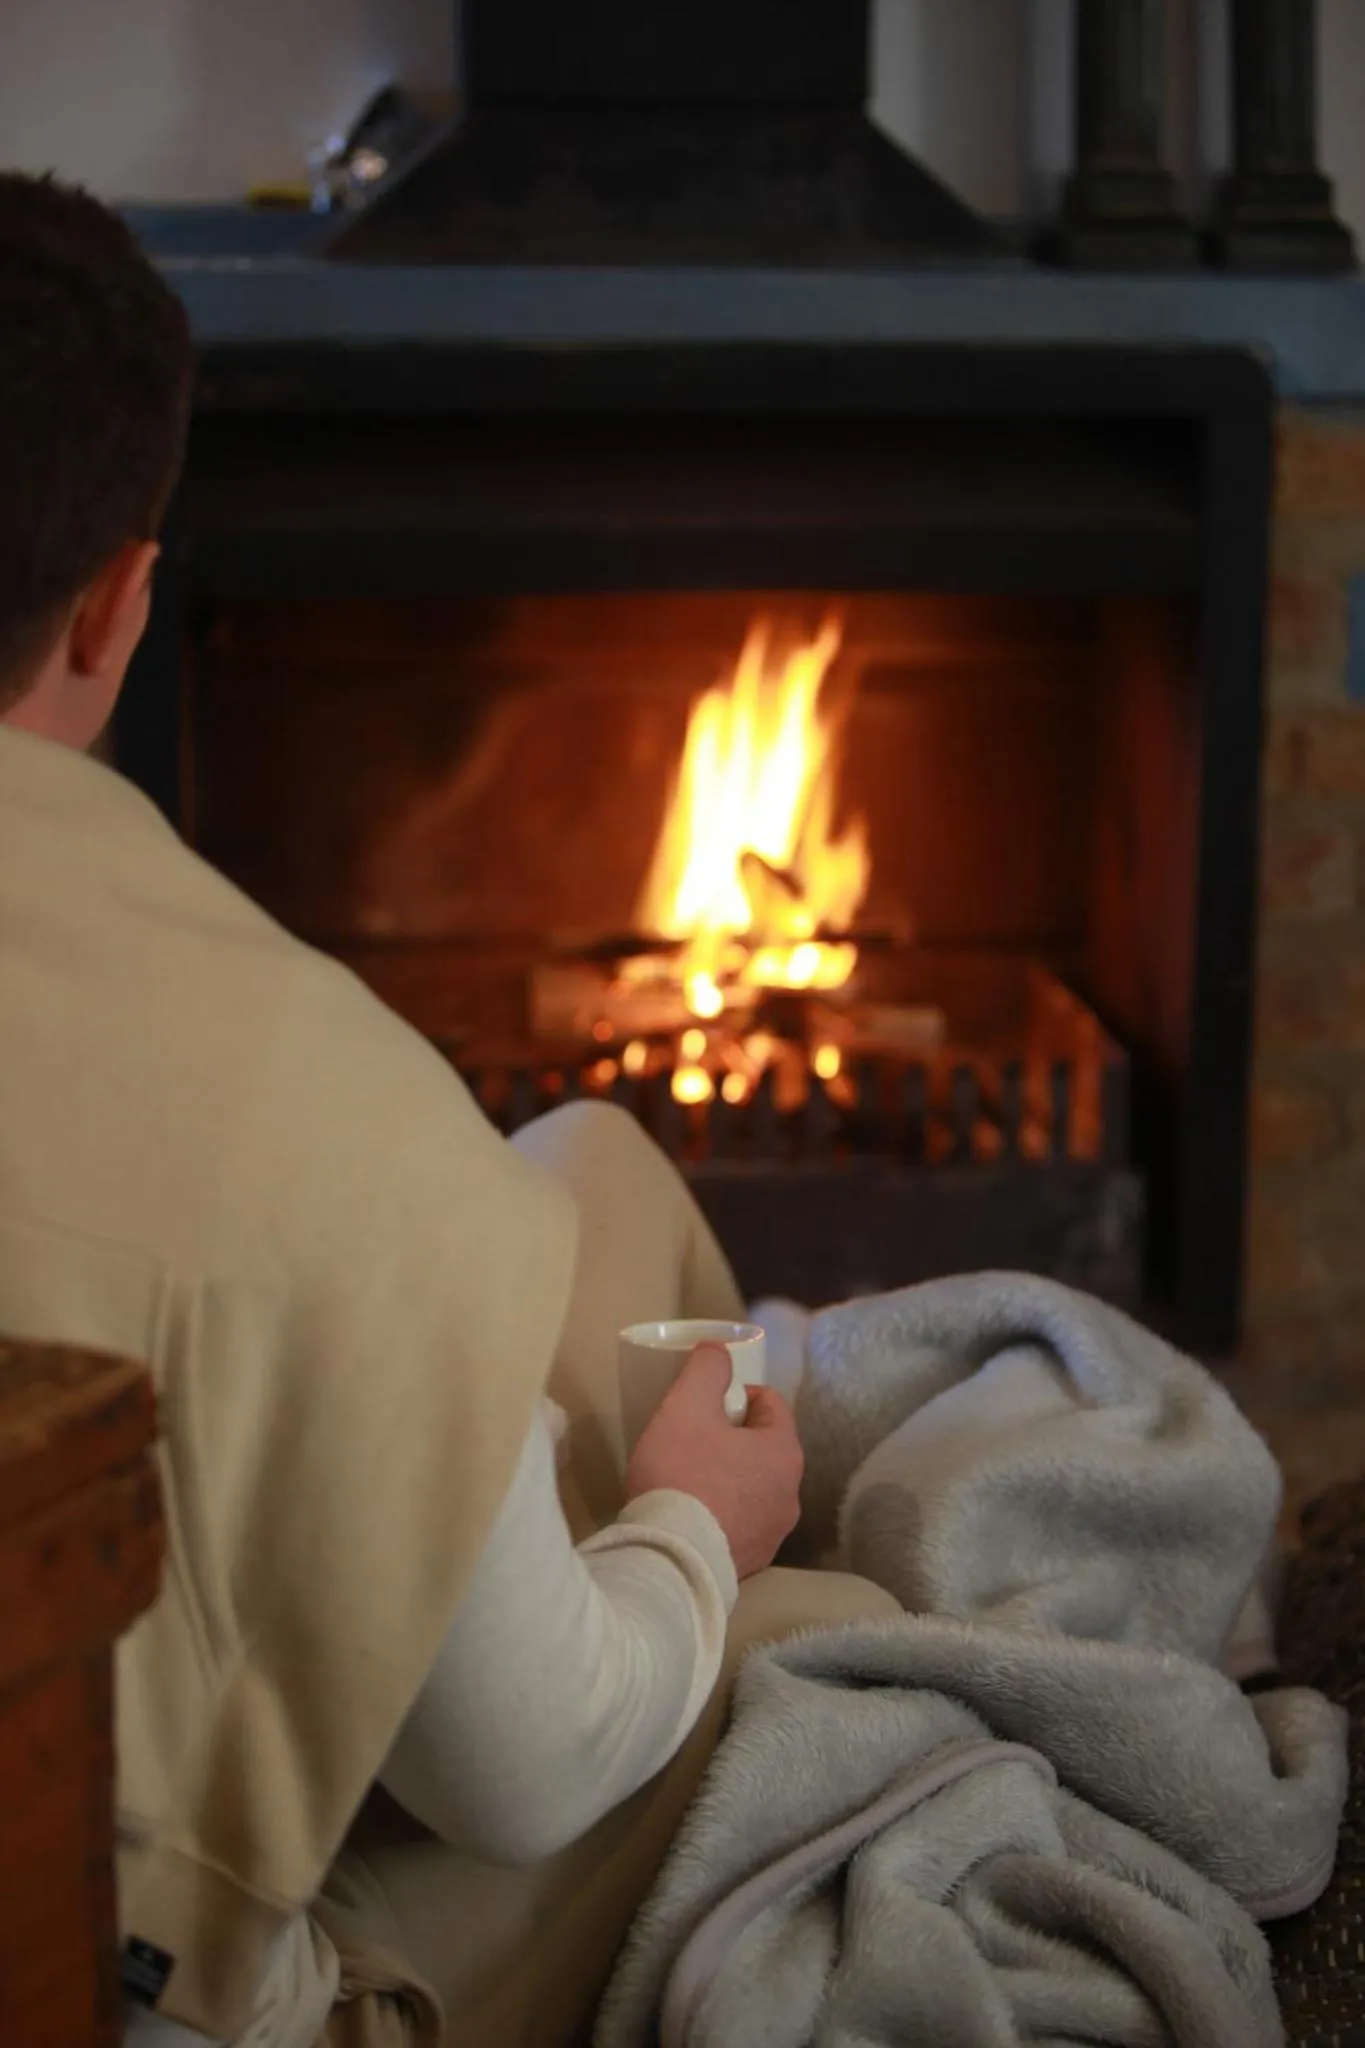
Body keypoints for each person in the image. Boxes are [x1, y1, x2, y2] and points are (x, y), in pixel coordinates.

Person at [0, 171, 897, 2048]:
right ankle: (708, 1514)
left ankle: (507, 1524)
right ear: (118, 604)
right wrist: (685, 1533)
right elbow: (532, 1772)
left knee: (584, 1162)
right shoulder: (317, 1101)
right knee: (818, 1647)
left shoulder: (346, 1139)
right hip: (140, 1972)